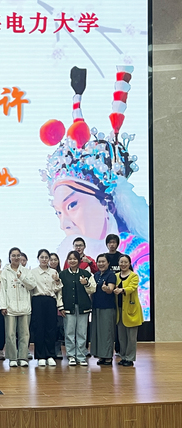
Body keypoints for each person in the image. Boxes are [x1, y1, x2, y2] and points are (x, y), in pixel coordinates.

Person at [40, 65, 149, 323]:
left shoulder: (138, 253)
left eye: (72, 205)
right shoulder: (66, 259)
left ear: (107, 204)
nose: (64, 223)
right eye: (58, 212)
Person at [58, 251, 96, 367]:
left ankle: (81, 356)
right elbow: (59, 292)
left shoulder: (86, 273)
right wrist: (61, 306)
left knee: (82, 333)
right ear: (67, 261)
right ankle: (71, 356)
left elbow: (93, 289)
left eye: (75, 259)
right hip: (68, 307)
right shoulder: (62, 275)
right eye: (70, 259)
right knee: (69, 332)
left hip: (83, 308)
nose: (72, 261)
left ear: (79, 260)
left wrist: (86, 283)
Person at [0, 248, 36, 368]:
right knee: (10, 334)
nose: (16, 258)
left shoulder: (26, 271)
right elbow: (3, 290)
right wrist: (3, 306)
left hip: (24, 307)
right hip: (10, 308)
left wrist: (22, 277)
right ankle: (12, 358)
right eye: (13, 255)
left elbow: (32, 286)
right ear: (9, 257)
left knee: (24, 334)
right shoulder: (5, 271)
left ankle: (23, 357)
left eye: (18, 255)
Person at [30, 249, 62, 367]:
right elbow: (30, 288)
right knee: (39, 328)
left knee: (51, 328)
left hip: (50, 300)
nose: (44, 260)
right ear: (38, 258)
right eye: (42, 257)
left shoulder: (53, 272)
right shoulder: (33, 272)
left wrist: (57, 280)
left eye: (46, 257)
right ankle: (40, 356)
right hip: (37, 300)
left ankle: (50, 355)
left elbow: (57, 289)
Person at [114, 254, 143, 367]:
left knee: (131, 337)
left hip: (131, 310)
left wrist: (122, 290)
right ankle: (123, 356)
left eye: (125, 262)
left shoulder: (134, 276)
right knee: (121, 337)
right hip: (119, 310)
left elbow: (131, 288)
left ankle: (130, 358)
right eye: (121, 262)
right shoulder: (116, 276)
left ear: (129, 263)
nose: (123, 264)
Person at [90, 253, 117, 366]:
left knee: (107, 332)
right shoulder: (96, 275)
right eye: (99, 262)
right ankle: (101, 355)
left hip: (107, 307)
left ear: (108, 263)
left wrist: (107, 289)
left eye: (103, 262)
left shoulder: (111, 275)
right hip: (96, 306)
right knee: (98, 332)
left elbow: (111, 289)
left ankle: (108, 357)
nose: (101, 264)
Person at [49, 253, 65, 359]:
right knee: (49, 327)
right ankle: (49, 350)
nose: (53, 262)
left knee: (59, 328)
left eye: (55, 260)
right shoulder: (46, 274)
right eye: (51, 260)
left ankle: (58, 349)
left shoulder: (62, 274)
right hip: (48, 304)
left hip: (60, 305)